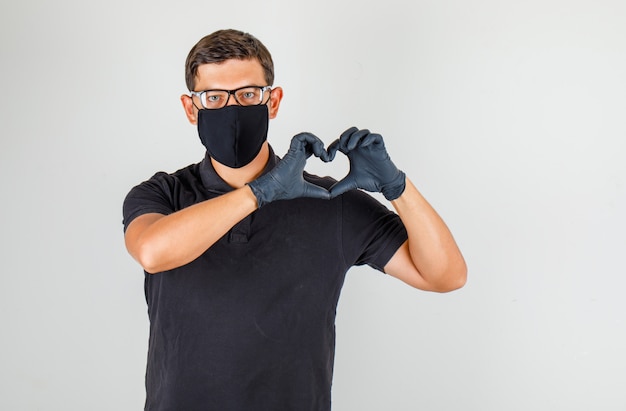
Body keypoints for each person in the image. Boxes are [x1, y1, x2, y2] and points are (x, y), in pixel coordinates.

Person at [122, 28, 467, 411]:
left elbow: (446, 275)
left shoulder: (331, 202)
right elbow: (152, 251)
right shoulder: (162, 194)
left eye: (249, 94)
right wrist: (260, 192)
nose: (232, 109)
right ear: (191, 109)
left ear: (273, 101)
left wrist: (397, 186)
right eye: (214, 97)